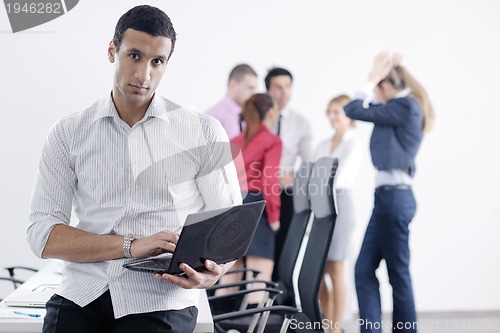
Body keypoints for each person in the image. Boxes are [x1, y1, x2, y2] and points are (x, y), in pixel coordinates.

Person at [26, 5, 242, 333]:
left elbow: (231, 229)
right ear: (112, 51)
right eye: (135, 56)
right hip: (83, 292)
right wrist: (130, 245)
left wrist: (218, 270)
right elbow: (42, 234)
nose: (144, 75)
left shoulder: (202, 132)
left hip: (159, 297)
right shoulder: (69, 132)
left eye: (157, 62)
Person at [344, 51, 435, 333]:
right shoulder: (400, 108)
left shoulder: (404, 106)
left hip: (394, 199)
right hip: (386, 199)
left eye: (378, 88)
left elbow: (354, 109)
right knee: (364, 270)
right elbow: (362, 109)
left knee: (398, 274)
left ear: (384, 86)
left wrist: (371, 78)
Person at [223, 93, 282, 304]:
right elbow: (269, 180)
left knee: (230, 273)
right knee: (259, 276)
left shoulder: (234, 142)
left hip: (231, 207)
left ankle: (220, 324)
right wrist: (274, 217)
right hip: (256, 206)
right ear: (271, 112)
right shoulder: (272, 141)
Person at [313, 94, 362, 333]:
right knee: (318, 271)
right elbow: (312, 175)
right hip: (321, 207)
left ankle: (334, 328)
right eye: (330, 112)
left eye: (337, 112)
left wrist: (317, 179)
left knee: (337, 268)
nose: (333, 117)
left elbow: (337, 179)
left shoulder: (353, 144)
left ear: (348, 115)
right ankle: (330, 321)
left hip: (341, 206)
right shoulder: (324, 144)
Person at [264, 67, 312, 280]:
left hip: (285, 193)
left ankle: (280, 297)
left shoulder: (301, 123)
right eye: (278, 87)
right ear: (268, 90)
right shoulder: (255, 118)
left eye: (287, 87)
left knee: (284, 247)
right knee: (259, 249)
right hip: (258, 192)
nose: (283, 92)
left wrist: (294, 175)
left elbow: (310, 162)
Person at [206, 64, 258, 139]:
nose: (253, 93)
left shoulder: (247, 115)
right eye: (250, 88)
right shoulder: (213, 118)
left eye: (254, 88)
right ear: (233, 84)